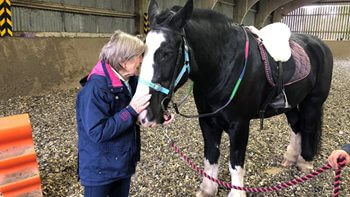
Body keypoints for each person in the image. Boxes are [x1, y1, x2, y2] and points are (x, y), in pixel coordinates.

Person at [76, 30, 150, 197]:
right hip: (99, 171)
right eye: (139, 56)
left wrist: (159, 114)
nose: (141, 60)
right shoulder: (94, 90)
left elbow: (145, 101)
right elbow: (97, 131)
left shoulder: (128, 80)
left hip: (121, 164)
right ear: (124, 61)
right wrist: (130, 112)